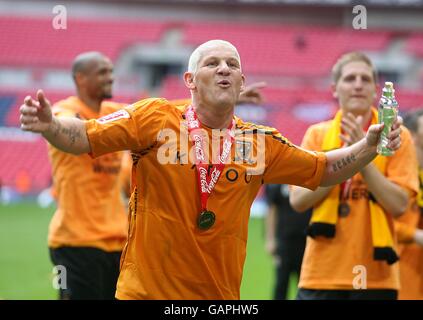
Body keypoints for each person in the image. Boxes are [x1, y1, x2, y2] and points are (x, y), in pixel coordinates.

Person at [19, 40, 403, 300]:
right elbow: (83, 136)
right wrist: (52, 126)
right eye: (212, 63)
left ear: (241, 83)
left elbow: (322, 169)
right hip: (145, 293)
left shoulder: (259, 141)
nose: (224, 69)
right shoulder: (153, 117)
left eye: (232, 65)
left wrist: (368, 146)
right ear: (189, 81)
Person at [289, 52, 419, 300]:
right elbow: (299, 200)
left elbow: (399, 205)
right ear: (334, 89)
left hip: (377, 279)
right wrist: (347, 154)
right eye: (350, 79)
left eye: (365, 79)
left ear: (375, 89)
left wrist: (363, 152)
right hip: (321, 275)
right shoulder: (316, 135)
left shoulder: (396, 138)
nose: (358, 84)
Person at [45, 52, 129, 300]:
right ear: (80, 78)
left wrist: (209, 102)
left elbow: (162, 112)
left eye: (111, 71)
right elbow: (61, 124)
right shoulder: (66, 111)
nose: (110, 77)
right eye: (102, 72)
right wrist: (49, 125)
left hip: (118, 243)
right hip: (76, 243)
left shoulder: (114, 113)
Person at [265, 184, 311, 300]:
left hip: (307, 242)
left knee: (305, 285)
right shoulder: (278, 182)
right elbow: (272, 210)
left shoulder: (309, 178)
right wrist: (270, 239)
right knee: (281, 283)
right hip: (284, 242)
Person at [395, 110, 423, 300]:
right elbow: (373, 222)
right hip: (401, 274)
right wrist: (414, 234)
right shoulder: (396, 176)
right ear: (411, 136)